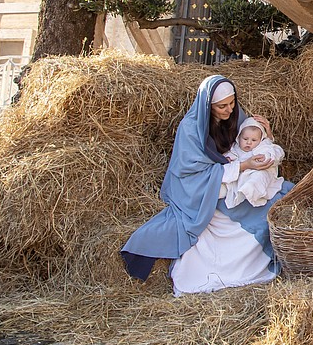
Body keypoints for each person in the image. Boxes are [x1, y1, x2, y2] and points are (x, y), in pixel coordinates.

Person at [121, 75, 294, 295]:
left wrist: (267, 136)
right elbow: (192, 173)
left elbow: (251, 143)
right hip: (200, 189)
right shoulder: (190, 130)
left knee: (278, 200)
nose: (229, 110)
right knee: (253, 213)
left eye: (232, 103)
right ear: (207, 105)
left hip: (231, 180)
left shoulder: (234, 118)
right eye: (222, 106)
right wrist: (242, 166)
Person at [224, 117, 286, 208]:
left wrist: (266, 157)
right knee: (235, 180)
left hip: (258, 171)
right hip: (242, 174)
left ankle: (251, 189)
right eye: (245, 139)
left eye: (254, 140)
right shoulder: (234, 148)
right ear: (238, 137)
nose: (249, 142)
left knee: (259, 177)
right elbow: (227, 157)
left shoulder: (262, 146)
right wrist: (226, 159)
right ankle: (244, 191)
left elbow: (275, 151)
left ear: (260, 140)